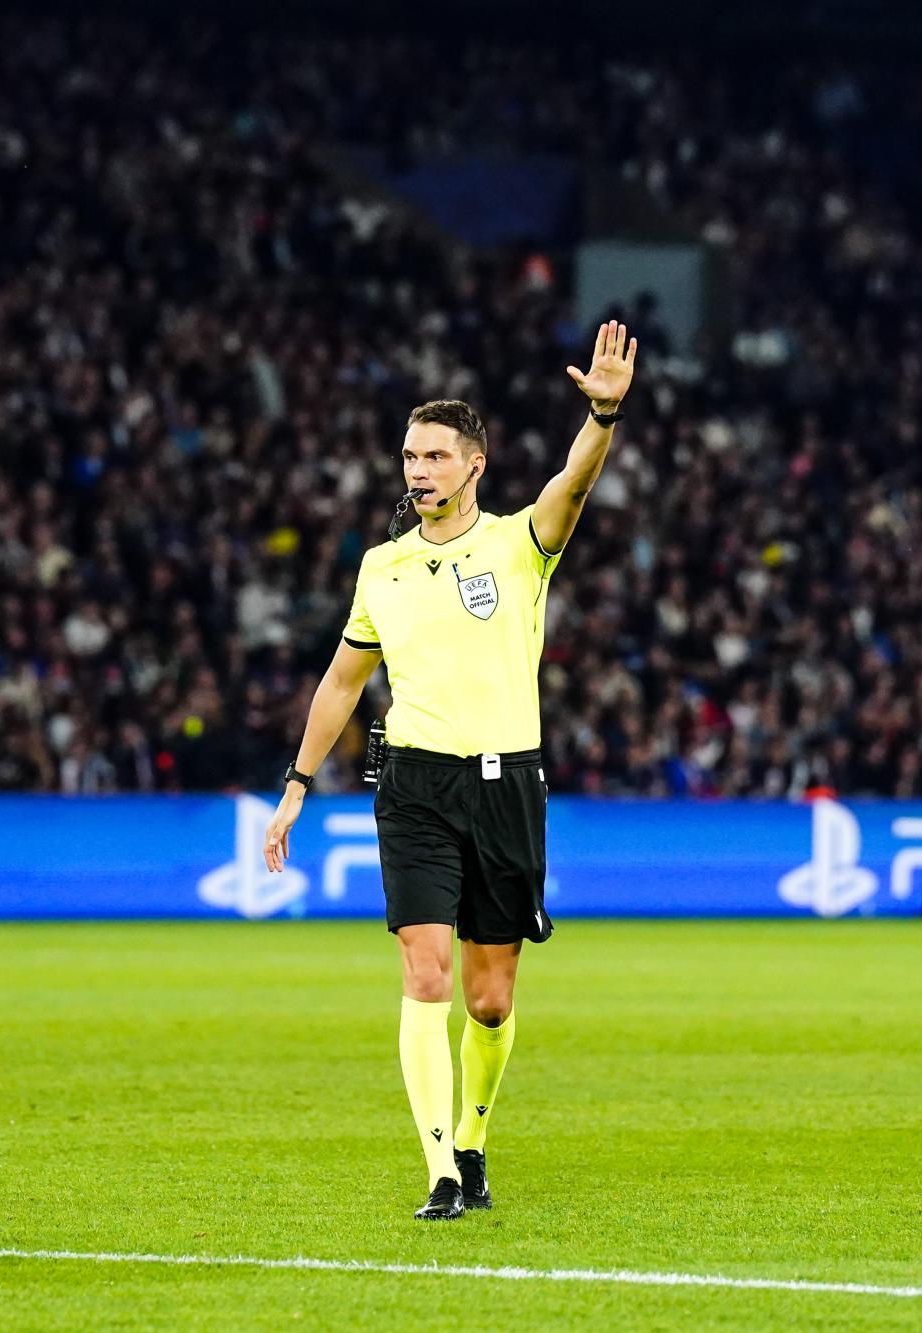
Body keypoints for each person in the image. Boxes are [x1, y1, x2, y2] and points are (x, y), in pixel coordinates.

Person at [262, 322, 636, 1219]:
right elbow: (343, 681)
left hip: (508, 784)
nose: (416, 469)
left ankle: (471, 1138)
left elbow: (574, 481)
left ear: (474, 464)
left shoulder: (519, 544)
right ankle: (438, 1170)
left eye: (434, 454)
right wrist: (297, 783)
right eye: (408, 455)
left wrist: (604, 413)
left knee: (491, 998)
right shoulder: (380, 568)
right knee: (423, 971)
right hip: (415, 784)